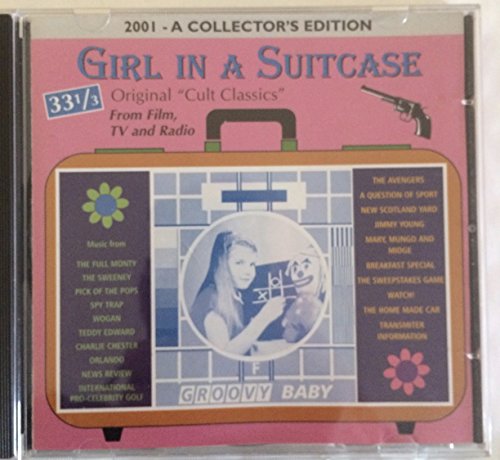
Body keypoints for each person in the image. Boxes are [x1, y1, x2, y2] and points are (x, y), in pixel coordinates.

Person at [190, 231, 286, 356]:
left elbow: (239, 342)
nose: (248, 272)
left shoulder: (234, 296)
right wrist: (263, 318)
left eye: (252, 264)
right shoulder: (210, 299)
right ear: (222, 264)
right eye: (239, 263)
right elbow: (224, 354)